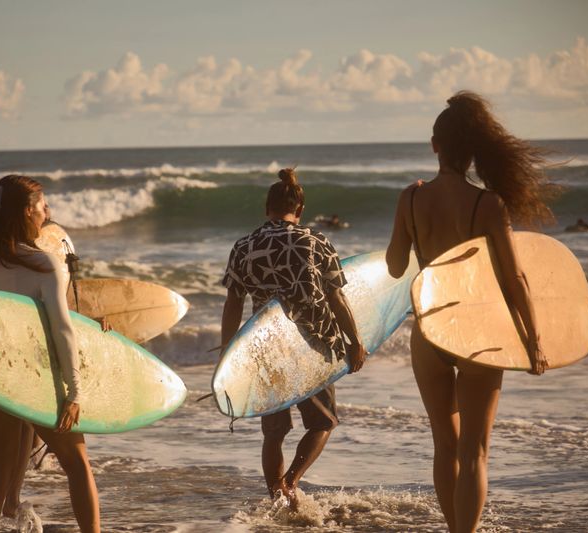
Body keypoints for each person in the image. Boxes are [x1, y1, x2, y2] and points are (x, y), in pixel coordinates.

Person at [385, 91, 552, 532]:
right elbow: (515, 280)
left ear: (434, 145)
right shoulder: (488, 204)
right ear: (472, 151)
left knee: (445, 443)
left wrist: (408, 227)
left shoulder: (411, 198)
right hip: (478, 332)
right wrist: (533, 342)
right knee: (475, 450)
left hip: (430, 330)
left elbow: (396, 266)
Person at [220, 168, 366, 510]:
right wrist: (355, 340)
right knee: (323, 422)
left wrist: (230, 352)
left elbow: (233, 303)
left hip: (266, 349)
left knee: (274, 431)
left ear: (266, 207)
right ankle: (291, 482)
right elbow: (336, 299)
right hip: (311, 345)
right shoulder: (315, 241)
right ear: (299, 210)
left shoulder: (244, 246)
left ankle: (276, 499)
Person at [0, 174, 100, 533]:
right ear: (28, 211)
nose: (48, 211)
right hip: (39, 378)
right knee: (78, 466)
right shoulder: (44, 265)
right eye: (43, 206)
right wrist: (74, 392)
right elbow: (61, 330)